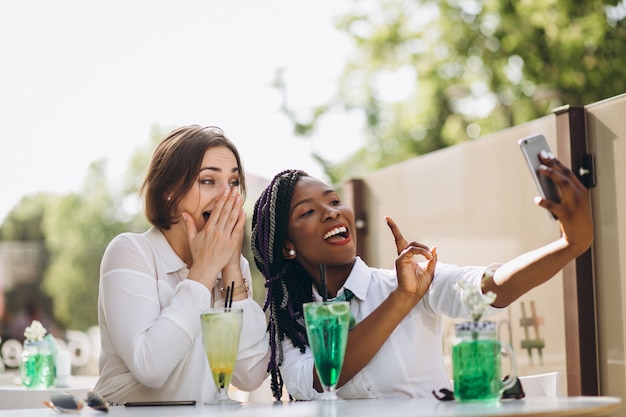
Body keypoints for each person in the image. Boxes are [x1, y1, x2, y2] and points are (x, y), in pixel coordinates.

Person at [250, 152, 592, 401]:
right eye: (308, 212)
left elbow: (490, 288)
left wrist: (570, 244)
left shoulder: (411, 280)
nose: (331, 213)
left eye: (335, 201)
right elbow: (317, 382)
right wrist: (401, 300)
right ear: (287, 247)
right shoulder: (290, 324)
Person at [94, 125, 270, 405]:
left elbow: (250, 375)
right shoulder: (131, 251)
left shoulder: (232, 269)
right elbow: (150, 368)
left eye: (234, 182)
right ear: (170, 192)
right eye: (209, 181)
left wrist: (232, 270)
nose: (227, 195)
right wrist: (203, 272)